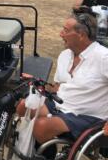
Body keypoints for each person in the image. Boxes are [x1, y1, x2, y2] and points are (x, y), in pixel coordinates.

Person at [17, 13, 108, 145]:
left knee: (41, 126)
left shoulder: (103, 57)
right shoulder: (65, 55)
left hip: (87, 115)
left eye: (65, 30)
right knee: (23, 106)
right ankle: (41, 154)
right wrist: (38, 83)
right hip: (61, 104)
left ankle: (41, 157)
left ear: (81, 35)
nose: (60, 34)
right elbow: (59, 87)